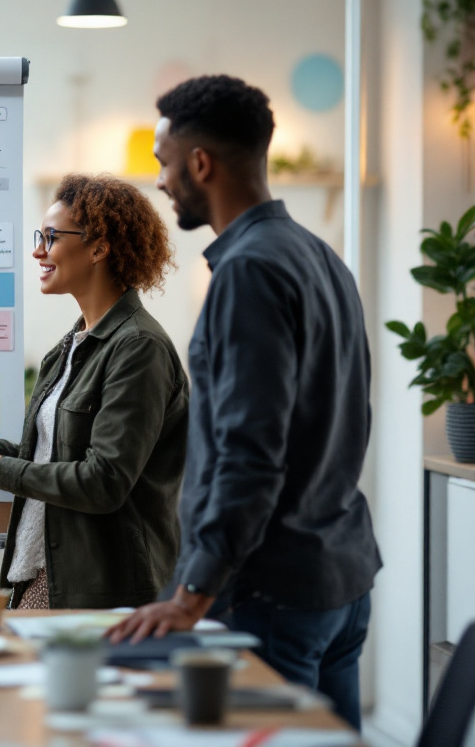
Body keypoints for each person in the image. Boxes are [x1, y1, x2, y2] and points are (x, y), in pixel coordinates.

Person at [105, 75, 381, 731]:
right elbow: (348, 419)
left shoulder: (249, 271)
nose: (162, 181)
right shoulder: (319, 256)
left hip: (269, 593)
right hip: (338, 578)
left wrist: (193, 592)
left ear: (201, 164)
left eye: (165, 164)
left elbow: (249, 450)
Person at [0, 174, 188, 609]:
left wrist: (0, 470)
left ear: (99, 248)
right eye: (40, 236)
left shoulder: (139, 348)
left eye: (52, 237)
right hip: (46, 577)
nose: (38, 250)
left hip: (100, 594)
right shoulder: (71, 345)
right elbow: (45, 459)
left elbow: (105, 481)